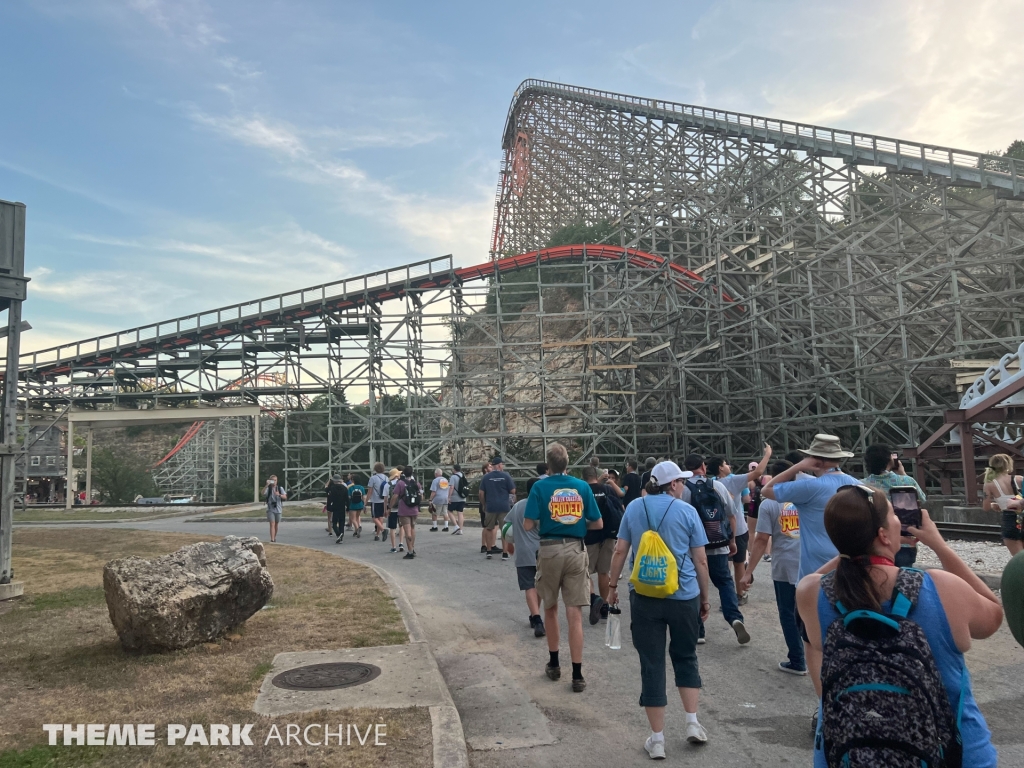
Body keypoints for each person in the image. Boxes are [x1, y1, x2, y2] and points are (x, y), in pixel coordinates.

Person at [796, 485, 1001, 768]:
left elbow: (822, 576)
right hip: (954, 756)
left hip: (848, 755)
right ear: (883, 534)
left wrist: (851, 545)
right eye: (893, 514)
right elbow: (993, 615)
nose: (898, 519)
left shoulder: (811, 593)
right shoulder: (942, 587)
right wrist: (939, 545)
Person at [608, 460, 712, 757]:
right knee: (686, 656)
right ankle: (692, 723)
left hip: (644, 596)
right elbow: (701, 560)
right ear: (673, 484)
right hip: (684, 596)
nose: (684, 486)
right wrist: (704, 598)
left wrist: (612, 587)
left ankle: (657, 740)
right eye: (682, 481)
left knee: (652, 663)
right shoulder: (687, 511)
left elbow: (620, 550)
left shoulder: (634, 508)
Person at [763, 433, 858, 696]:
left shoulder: (811, 488)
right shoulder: (857, 486)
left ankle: (824, 700)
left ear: (815, 458)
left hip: (814, 575)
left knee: (813, 642)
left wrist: (798, 466)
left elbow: (767, 490)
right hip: (851, 570)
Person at [524, 442, 603, 692]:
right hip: (576, 548)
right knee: (575, 612)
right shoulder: (581, 486)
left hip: (549, 548)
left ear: (548, 465)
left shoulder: (539, 487)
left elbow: (527, 524)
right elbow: (598, 523)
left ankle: (555, 663)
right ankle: (577, 674)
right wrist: (577, 526)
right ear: (568, 463)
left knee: (550, 607)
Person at [739, 460, 805, 674]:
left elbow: (761, 540)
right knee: (812, 612)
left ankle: (798, 659)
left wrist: (749, 571)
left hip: (784, 565)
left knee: (787, 612)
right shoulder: (809, 498)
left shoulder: (769, 503)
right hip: (810, 563)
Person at [680, 454, 748, 645]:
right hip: (718, 544)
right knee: (725, 582)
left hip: (694, 549)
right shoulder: (717, 486)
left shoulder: (683, 490)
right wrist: (731, 541)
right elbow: (731, 516)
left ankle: (699, 629)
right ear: (703, 467)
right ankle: (734, 618)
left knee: (693, 586)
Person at [706, 445, 771, 604]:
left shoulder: (711, 483)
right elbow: (758, 472)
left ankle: (726, 596)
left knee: (724, 565)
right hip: (738, 529)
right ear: (721, 468)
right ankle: (740, 594)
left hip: (718, 529)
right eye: (725, 463)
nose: (728, 466)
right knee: (739, 562)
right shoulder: (733, 480)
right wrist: (767, 454)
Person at [862, 443, 926, 566]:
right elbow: (922, 498)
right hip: (904, 540)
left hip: (874, 541)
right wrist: (903, 474)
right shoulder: (906, 481)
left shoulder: (861, 485)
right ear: (890, 460)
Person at [582, 465, 624, 624]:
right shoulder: (608, 489)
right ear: (596, 475)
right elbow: (619, 508)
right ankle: (605, 606)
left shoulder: (583, 491)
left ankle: (594, 599)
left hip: (590, 536)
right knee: (604, 572)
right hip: (609, 535)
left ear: (583, 477)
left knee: (585, 572)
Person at [504, 497, 545, 637]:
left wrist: (509, 543)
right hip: (541, 551)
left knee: (529, 586)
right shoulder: (543, 504)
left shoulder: (518, 505)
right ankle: (535, 616)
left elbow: (507, 525)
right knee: (539, 585)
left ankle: (536, 617)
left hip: (522, 552)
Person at [982, 453, 1024, 555]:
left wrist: (993, 505)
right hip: (1022, 515)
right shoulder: (1020, 479)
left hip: (1010, 520)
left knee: (1019, 559)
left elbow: (986, 507)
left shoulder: (989, 484)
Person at [480, 455, 516, 559]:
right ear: (499, 465)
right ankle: (505, 553)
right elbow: (513, 491)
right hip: (504, 506)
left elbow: (481, 493)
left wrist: (484, 504)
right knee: (504, 529)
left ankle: (489, 551)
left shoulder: (486, 477)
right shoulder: (506, 476)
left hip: (490, 506)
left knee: (489, 528)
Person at [392, 466, 421, 560]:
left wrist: (390, 506)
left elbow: (395, 496)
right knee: (412, 528)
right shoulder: (417, 483)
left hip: (404, 510)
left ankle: (410, 551)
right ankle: (412, 548)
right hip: (414, 509)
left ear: (403, 473)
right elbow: (421, 495)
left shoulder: (400, 483)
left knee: (407, 532)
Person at [367, 462, 390, 542]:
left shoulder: (373, 478)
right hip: (383, 500)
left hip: (375, 500)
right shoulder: (386, 478)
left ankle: (383, 530)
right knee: (380, 517)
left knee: (374, 518)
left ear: (375, 469)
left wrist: (366, 501)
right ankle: (377, 535)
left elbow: (370, 491)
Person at [385, 468, 405, 553]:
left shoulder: (387, 485)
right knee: (401, 526)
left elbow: (385, 499)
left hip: (392, 509)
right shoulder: (402, 483)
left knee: (392, 528)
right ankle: (401, 543)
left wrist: (386, 509)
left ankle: (393, 547)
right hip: (401, 508)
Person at [326, 474, 350, 544]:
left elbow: (329, 498)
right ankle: (341, 537)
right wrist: (348, 507)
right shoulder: (344, 488)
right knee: (342, 522)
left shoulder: (332, 488)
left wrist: (328, 507)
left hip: (335, 506)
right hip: (342, 506)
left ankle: (338, 534)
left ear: (334, 481)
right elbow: (347, 499)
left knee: (334, 523)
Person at [263, 475, 287, 542]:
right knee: (272, 523)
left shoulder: (280, 488)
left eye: (275, 480)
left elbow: (285, 497)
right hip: (270, 509)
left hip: (278, 508)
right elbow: (262, 493)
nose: (274, 482)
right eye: (272, 480)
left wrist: (279, 495)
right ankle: (272, 539)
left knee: (276, 524)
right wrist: (266, 485)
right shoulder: (268, 489)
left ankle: (274, 537)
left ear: (277, 481)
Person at [448, 463, 467, 535]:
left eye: (452, 469)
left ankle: (456, 526)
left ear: (454, 469)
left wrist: (449, 496)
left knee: (449, 511)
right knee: (460, 513)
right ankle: (460, 530)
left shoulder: (453, 477)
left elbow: (451, 487)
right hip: (462, 497)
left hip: (455, 497)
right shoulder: (463, 475)